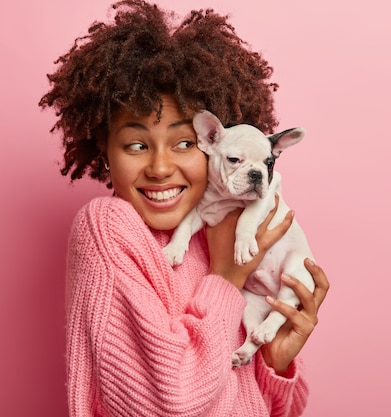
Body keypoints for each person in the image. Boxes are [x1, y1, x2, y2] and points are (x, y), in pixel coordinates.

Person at [38, 1, 329, 416]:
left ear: (213, 143)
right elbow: (169, 404)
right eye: (136, 145)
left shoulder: (219, 228)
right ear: (104, 151)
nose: (159, 167)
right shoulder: (107, 228)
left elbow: (274, 409)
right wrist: (228, 278)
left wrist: (271, 360)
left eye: (184, 143)